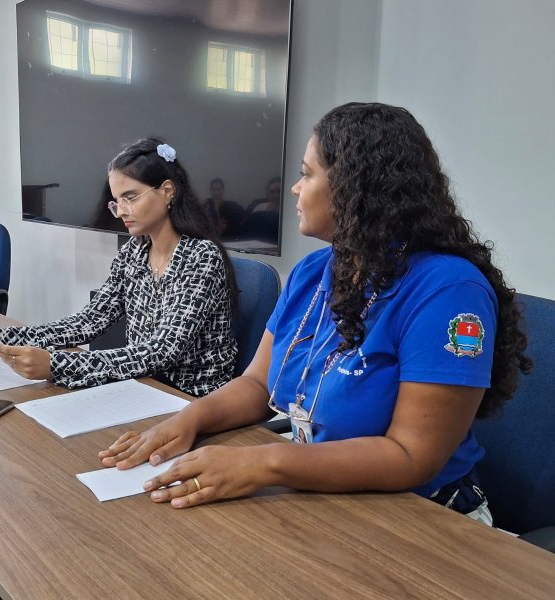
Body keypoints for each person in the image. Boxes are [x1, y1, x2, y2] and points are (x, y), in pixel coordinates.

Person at [98, 103, 531, 522]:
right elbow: (256, 382)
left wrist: (265, 463)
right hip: (323, 497)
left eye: (306, 174)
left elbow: (411, 456)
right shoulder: (313, 271)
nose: (294, 188)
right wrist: (189, 419)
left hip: (423, 517)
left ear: (356, 185)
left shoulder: (448, 291)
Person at [0, 138, 238, 396]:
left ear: (167, 191)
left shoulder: (201, 257)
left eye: (130, 198)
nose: (120, 212)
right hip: (143, 387)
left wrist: (56, 364)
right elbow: (90, 321)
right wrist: (3, 337)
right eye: (116, 201)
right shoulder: (133, 252)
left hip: (192, 399)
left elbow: (162, 350)